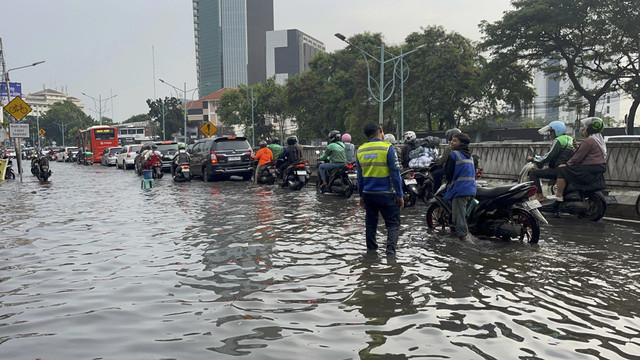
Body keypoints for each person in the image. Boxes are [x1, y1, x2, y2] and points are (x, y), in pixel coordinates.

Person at [356, 123, 404, 256]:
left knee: (371, 225)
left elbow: (359, 177)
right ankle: (390, 255)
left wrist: (361, 195)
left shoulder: (360, 150)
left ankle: (371, 254)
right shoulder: (387, 148)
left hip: (368, 194)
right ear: (381, 131)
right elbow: (395, 174)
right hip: (386, 194)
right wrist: (400, 195)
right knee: (393, 225)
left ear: (366, 136)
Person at [553, 117, 607, 201]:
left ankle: (559, 195)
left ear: (589, 130)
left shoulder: (589, 141)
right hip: (599, 166)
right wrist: (577, 147)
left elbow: (578, 157)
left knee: (562, 169)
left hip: (589, 167)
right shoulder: (598, 141)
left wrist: (567, 164)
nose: (583, 131)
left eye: (585, 129)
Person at [526, 121, 575, 201]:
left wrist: (533, 159)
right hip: (567, 168)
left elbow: (548, 157)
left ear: (557, 131)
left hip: (559, 169)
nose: (550, 134)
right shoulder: (570, 139)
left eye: (551, 131)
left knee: (533, 173)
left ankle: (540, 196)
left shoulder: (558, 140)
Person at [444, 132, 476, 241]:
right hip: (471, 190)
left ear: (461, 143)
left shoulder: (454, 154)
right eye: (451, 140)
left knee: (459, 219)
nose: (451, 142)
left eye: (454, 140)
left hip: (460, 191)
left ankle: (463, 245)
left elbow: (448, 173)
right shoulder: (470, 156)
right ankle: (466, 236)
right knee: (463, 217)